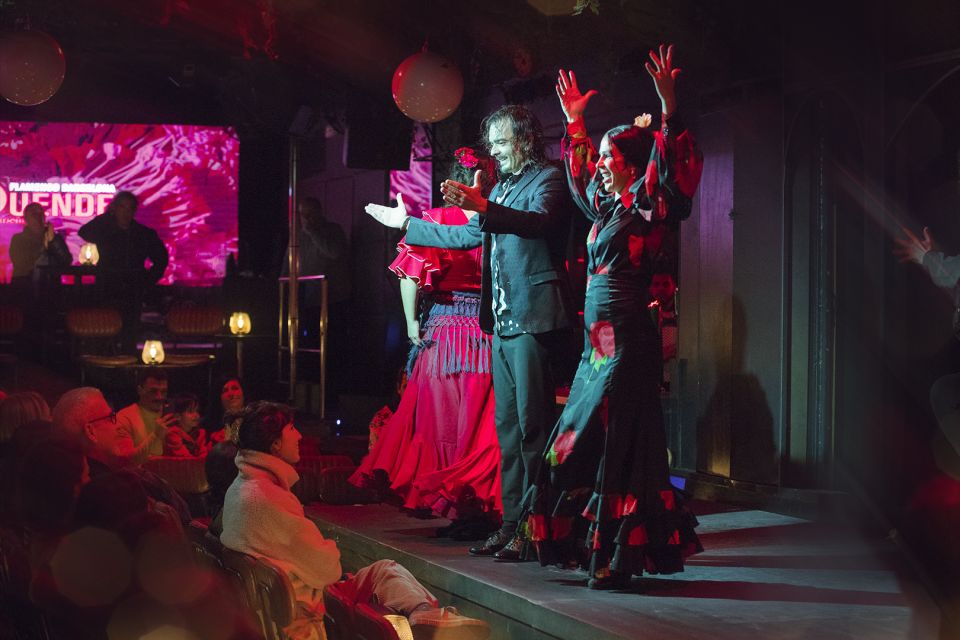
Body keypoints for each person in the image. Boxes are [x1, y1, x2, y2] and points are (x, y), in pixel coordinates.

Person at [523, 46, 704, 589]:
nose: (599, 163)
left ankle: (612, 553)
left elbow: (673, 177)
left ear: (632, 162)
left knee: (610, 436)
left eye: (608, 155)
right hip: (597, 346)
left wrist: (669, 111)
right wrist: (575, 123)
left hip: (626, 342)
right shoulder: (608, 209)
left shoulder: (650, 206)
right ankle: (595, 548)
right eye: (599, 155)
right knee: (586, 436)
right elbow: (580, 181)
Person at [365, 105, 575, 561]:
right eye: (492, 144)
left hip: (533, 318)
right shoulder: (505, 183)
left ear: (522, 139)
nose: (494, 152)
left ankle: (540, 528)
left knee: (534, 428)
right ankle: (512, 525)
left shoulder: (549, 178)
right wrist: (407, 225)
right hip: (499, 323)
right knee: (508, 430)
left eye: (500, 143)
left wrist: (482, 205)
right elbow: (466, 237)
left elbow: (538, 224)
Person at [220, 401, 490, 640]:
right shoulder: (266, 498)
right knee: (382, 576)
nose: (300, 435)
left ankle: (423, 614)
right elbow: (328, 569)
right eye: (292, 429)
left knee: (385, 570)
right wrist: (329, 551)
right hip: (310, 609)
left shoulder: (245, 488)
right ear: (275, 443)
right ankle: (428, 617)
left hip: (291, 601)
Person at [351, 148, 502, 539]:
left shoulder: (442, 219)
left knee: (451, 422)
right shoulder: (493, 217)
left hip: (456, 330)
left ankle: (461, 508)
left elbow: (410, 275)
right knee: (470, 422)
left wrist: (412, 321)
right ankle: (471, 507)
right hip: (477, 329)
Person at [51, 386, 190, 525]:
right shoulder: (117, 494)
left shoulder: (67, 491)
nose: (118, 424)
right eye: (111, 417)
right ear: (90, 431)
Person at [77, 191, 169, 349]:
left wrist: (146, 281)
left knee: (129, 335)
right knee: (104, 333)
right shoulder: (105, 232)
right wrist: (107, 217)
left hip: (132, 290)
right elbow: (84, 231)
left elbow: (161, 259)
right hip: (107, 288)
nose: (126, 212)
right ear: (114, 208)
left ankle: (126, 368)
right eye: (122, 207)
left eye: (130, 208)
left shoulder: (143, 234)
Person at [116, 369, 175, 463]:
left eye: (163, 392)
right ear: (140, 390)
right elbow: (127, 460)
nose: (159, 397)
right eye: (153, 391)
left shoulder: (170, 414)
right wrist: (155, 435)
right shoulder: (124, 418)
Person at [8, 202, 71, 286]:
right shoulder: (18, 239)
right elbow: (21, 263)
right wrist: (43, 244)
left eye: (41, 214)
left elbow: (67, 261)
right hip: (25, 289)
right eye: (34, 214)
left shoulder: (54, 238)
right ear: (26, 219)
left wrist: (53, 241)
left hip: (50, 289)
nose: (39, 217)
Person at [163, 391, 209, 457]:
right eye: (190, 411)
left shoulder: (199, 433)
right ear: (177, 416)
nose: (196, 415)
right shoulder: (172, 434)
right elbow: (186, 459)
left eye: (197, 411)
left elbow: (204, 456)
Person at [208, 374, 245, 444]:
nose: (231, 394)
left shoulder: (254, 419)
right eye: (225, 391)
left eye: (235, 388)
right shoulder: (209, 426)